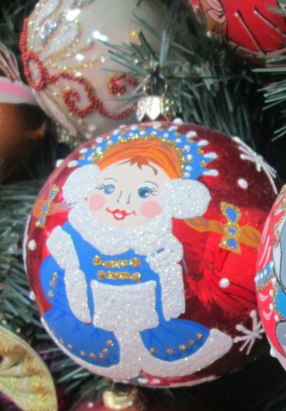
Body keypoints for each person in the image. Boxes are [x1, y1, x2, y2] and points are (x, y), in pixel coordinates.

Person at [40, 135, 232, 383]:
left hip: (148, 314)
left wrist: (167, 282)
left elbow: (173, 286)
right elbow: (53, 278)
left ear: (170, 199)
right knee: (97, 339)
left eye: (144, 193)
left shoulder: (158, 244)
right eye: (108, 188)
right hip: (93, 319)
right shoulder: (73, 237)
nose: (123, 201)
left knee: (167, 343)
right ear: (87, 185)